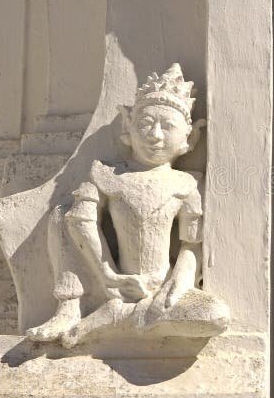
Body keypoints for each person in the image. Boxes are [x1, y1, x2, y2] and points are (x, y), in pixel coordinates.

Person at [26, 64, 229, 347]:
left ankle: (115, 318)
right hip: (109, 279)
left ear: (189, 138)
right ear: (128, 126)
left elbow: (191, 245)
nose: (155, 135)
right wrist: (109, 276)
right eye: (145, 123)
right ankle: (71, 309)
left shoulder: (187, 185)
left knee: (215, 315)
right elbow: (80, 222)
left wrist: (175, 285)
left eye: (167, 126)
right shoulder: (108, 174)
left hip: (160, 287)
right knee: (62, 215)